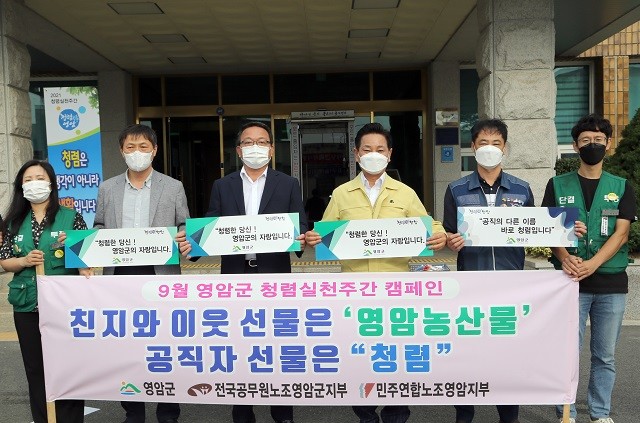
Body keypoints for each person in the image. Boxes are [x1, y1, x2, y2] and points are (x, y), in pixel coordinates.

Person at [305, 122, 447, 423]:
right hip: (355, 291)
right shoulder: (341, 194)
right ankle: (365, 414)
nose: (373, 154)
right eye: (367, 149)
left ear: (389, 154)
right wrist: (316, 238)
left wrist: (439, 234)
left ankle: (396, 414)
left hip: (397, 290)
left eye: (380, 149)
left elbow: (429, 225)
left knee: (396, 356)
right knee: (360, 355)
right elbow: (326, 233)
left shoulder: (405, 193)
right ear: (357, 154)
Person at [180, 121, 307, 423]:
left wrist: (301, 237)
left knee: (277, 346)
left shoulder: (288, 183)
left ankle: (282, 413)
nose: (255, 147)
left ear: (272, 149)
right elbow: (212, 226)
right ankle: (242, 411)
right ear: (238, 150)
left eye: (262, 142)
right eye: (248, 142)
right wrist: (192, 246)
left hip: (275, 276)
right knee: (240, 346)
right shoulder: (222, 186)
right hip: (236, 277)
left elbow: (300, 223)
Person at [542, 114, 636, 423]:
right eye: (585, 140)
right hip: (569, 282)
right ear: (575, 146)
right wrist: (564, 256)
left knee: (605, 355)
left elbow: (621, 234)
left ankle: (600, 412)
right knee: (567, 351)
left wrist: (593, 264)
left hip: (610, 284)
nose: (591, 145)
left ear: (608, 144)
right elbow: (547, 230)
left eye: (598, 140)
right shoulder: (557, 185)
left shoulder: (621, 186)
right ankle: (565, 411)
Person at [93, 124, 189, 423]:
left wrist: (183, 236)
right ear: (122, 151)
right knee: (126, 347)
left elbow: (184, 224)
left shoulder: (172, 187)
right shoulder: (107, 188)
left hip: (160, 276)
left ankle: (168, 411)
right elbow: (98, 226)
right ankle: (133, 410)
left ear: (154, 150)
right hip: (120, 277)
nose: (137, 153)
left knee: (164, 345)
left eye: (143, 147)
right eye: (131, 147)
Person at [443, 119, 534, 423]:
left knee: (508, 356)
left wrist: (566, 229)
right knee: (468, 355)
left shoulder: (522, 189)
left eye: (496, 143)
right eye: (483, 143)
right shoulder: (456, 189)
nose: (490, 149)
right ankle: (464, 415)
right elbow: (449, 233)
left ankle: (509, 416)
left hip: (510, 287)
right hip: (471, 286)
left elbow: (535, 230)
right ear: (473, 147)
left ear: (505, 148)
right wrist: (451, 241)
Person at [0, 160, 90, 423]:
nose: (34, 183)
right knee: (36, 370)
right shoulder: (13, 221)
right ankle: (43, 419)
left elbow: (86, 260)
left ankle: (70, 419)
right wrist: (24, 261)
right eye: (28, 179)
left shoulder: (71, 217)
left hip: (65, 304)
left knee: (69, 367)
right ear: (21, 186)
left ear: (51, 183)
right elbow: (5, 261)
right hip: (27, 304)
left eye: (40, 178)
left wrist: (74, 249)